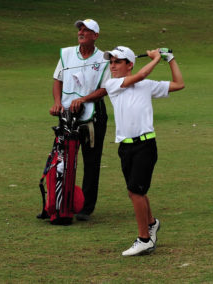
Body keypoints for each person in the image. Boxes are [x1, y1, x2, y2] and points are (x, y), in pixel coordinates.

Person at [103, 46, 184, 256]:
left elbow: (179, 84)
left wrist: (170, 59)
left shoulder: (146, 86)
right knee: (136, 190)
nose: (112, 66)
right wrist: (156, 58)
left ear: (129, 64)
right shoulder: (112, 84)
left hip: (145, 145)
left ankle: (144, 239)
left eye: (117, 62)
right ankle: (152, 223)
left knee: (136, 192)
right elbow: (141, 74)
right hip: (125, 146)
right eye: (111, 62)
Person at [50, 19, 110, 221]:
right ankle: (61, 202)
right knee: (63, 160)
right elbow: (57, 80)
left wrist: (83, 99)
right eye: (80, 29)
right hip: (67, 114)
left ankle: (86, 207)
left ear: (96, 35)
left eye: (87, 30)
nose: (81, 32)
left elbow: (105, 88)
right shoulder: (67, 54)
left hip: (94, 114)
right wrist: (57, 102)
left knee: (91, 161)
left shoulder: (104, 58)